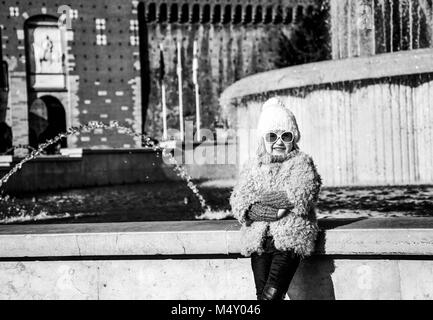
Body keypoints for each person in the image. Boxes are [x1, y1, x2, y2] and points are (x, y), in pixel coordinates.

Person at [230, 97, 322, 300]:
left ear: (294, 139)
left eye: (286, 136)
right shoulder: (253, 166)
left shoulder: (302, 163)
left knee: (271, 296)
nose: (279, 142)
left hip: (289, 239)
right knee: (261, 295)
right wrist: (272, 211)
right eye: (272, 136)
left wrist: (257, 199)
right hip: (259, 241)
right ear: (263, 139)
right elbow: (239, 201)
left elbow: (301, 193)